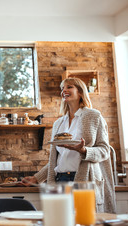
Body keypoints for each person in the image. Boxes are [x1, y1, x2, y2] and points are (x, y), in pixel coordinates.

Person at [22, 77, 116, 213]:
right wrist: (37, 178)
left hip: (84, 179)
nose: (64, 90)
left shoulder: (94, 116)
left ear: (80, 92)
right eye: (62, 88)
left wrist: (84, 151)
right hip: (60, 180)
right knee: (61, 224)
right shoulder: (58, 123)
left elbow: (105, 150)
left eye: (69, 87)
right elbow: (57, 160)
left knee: (84, 225)